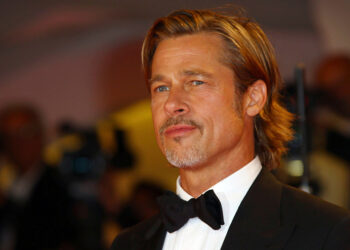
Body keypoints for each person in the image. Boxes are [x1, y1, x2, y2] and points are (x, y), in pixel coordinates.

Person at [110, 9, 350, 250]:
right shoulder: (128, 244)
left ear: (253, 98)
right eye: (161, 88)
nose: (172, 104)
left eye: (196, 82)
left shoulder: (326, 233)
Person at [0, 105, 75, 250]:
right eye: (8, 136)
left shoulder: (62, 184)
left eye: (25, 132)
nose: (17, 143)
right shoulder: (10, 193)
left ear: (41, 135)